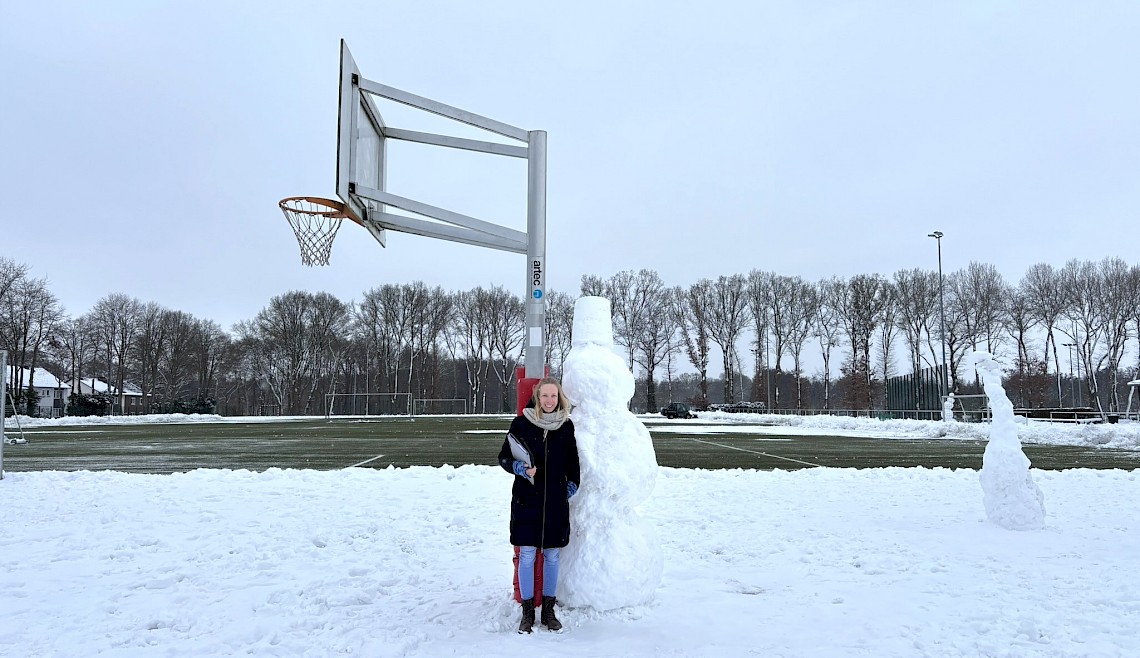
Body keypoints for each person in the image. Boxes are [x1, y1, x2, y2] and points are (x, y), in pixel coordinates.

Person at [498, 377, 580, 634]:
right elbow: (503, 457)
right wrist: (519, 468)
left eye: (553, 396)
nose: (549, 401)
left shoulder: (566, 426)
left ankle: (548, 610)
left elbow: (573, 465)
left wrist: (570, 487)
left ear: (559, 398)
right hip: (527, 500)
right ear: (537, 397)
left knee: (553, 556)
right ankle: (526, 612)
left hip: (555, 503)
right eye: (545, 396)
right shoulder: (521, 424)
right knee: (528, 556)